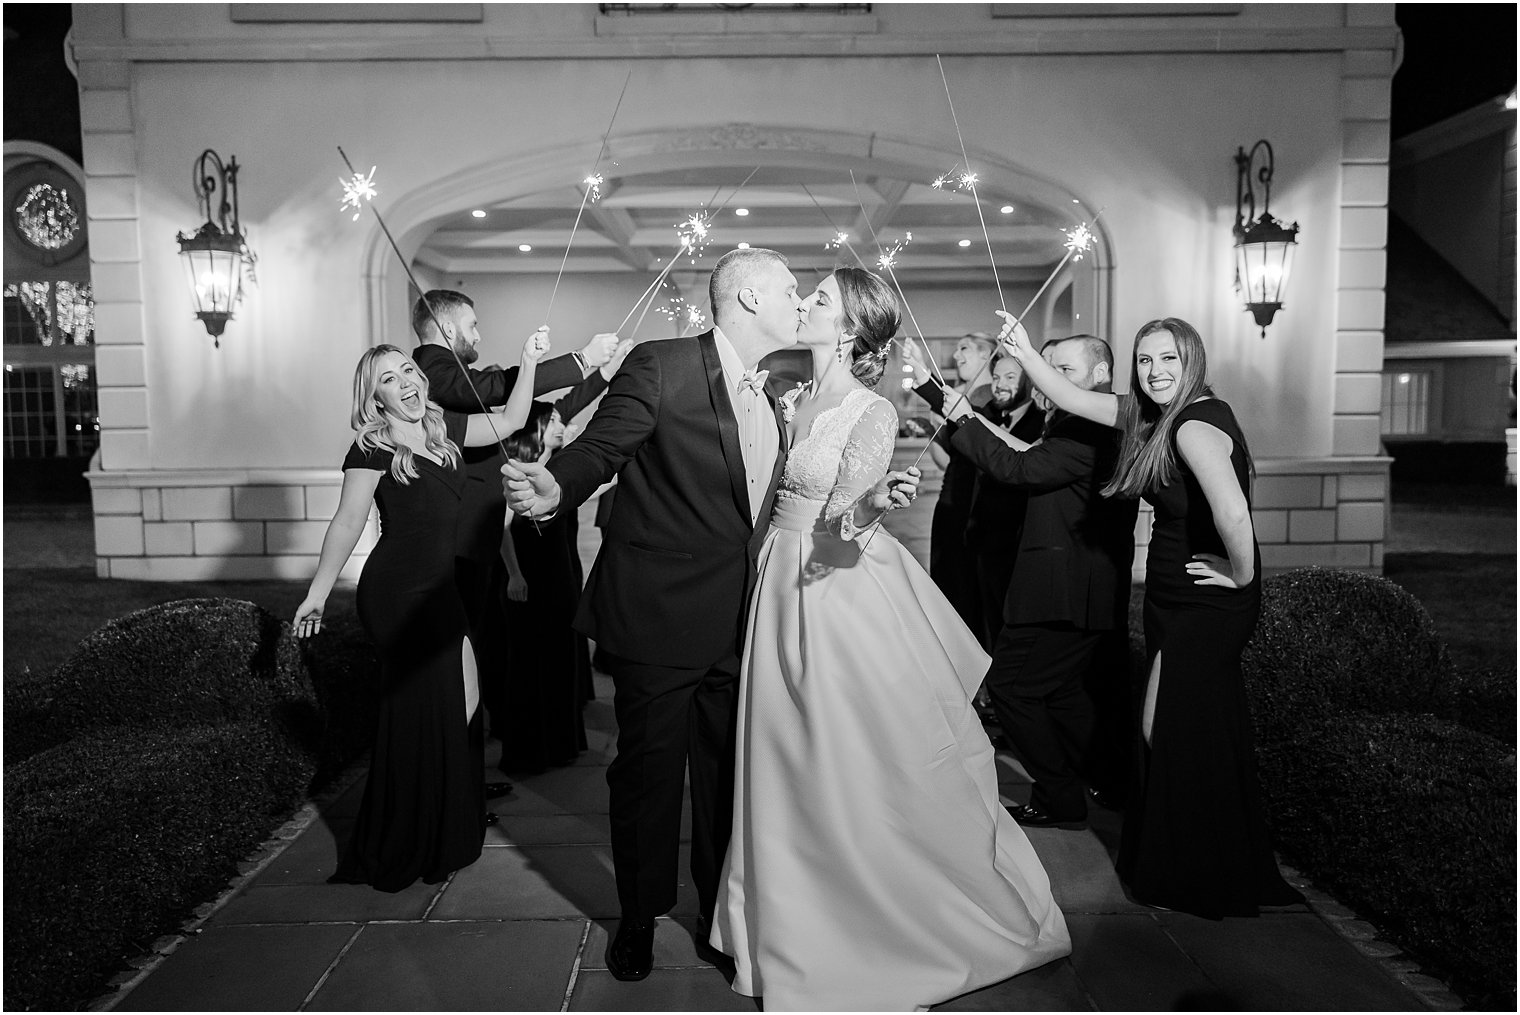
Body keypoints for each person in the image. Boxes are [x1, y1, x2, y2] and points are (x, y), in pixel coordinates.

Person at [502, 248, 922, 983]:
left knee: (730, 776)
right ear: (752, 297)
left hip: (748, 619)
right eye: (794, 289)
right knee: (648, 776)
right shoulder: (662, 363)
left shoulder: (780, 392)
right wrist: (554, 488)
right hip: (659, 619)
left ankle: (716, 916)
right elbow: (605, 446)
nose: (801, 301)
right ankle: (637, 917)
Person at [710, 267, 1070, 1012]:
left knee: (835, 754)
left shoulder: (869, 411)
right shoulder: (790, 396)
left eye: (820, 301)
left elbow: (845, 524)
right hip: (774, 577)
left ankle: (853, 924)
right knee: (777, 752)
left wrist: (876, 498)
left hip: (828, 594)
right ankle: (776, 913)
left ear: (847, 328)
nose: (806, 302)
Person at [996, 312, 1304, 918]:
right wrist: (1026, 352)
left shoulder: (1193, 424)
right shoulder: (1155, 417)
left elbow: (1235, 515)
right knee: (1197, 731)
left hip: (1202, 606)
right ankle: (1216, 860)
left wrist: (1242, 576)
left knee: (1164, 729)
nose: (1155, 371)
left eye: (1168, 359)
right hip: (1174, 600)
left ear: (1192, 361)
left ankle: (1190, 868)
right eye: (1145, 360)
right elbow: (1069, 395)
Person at [293, 333, 548, 891]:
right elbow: (348, 521)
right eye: (389, 379)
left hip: (441, 589)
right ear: (374, 398)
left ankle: (443, 821)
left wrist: (528, 361)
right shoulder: (371, 448)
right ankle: (406, 839)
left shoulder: (442, 428)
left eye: (407, 370)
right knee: (421, 713)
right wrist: (318, 590)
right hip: (398, 595)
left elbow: (510, 421)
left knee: (465, 700)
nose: (406, 382)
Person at [944, 335, 1138, 829]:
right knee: (1061, 691)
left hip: (1063, 590)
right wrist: (963, 415)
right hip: (1071, 588)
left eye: (1065, 369)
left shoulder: (1092, 432)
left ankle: (1061, 795)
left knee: (1010, 688)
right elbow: (1021, 452)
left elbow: (1020, 467)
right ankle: (1113, 780)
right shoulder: (1082, 426)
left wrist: (966, 421)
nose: (1050, 378)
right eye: (1047, 367)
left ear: (1100, 375)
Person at [410, 288, 618, 742]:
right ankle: (456, 769)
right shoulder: (433, 371)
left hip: (474, 543)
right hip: (461, 541)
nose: (478, 333)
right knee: (461, 660)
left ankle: (467, 771)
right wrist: (578, 360)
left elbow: (523, 406)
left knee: (475, 655)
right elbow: (496, 390)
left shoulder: (454, 382)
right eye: (472, 325)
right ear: (446, 329)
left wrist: (596, 371)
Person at [496, 345, 633, 773]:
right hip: (530, 579)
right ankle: (531, 748)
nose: (562, 423)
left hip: (560, 575)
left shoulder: (558, 471)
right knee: (533, 662)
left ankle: (560, 742)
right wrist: (515, 574)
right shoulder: (520, 468)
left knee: (557, 659)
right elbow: (501, 528)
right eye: (554, 420)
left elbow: (584, 491)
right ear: (539, 427)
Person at [904, 333, 996, 635]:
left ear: (987, 356)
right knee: (947, 578)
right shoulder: (960, 397)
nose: (956, 355)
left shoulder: (991, 398)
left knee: (965, 581)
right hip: (951, 497)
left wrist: (921, 370)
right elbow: (946, 459)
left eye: (964, 348)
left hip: (974, 502)